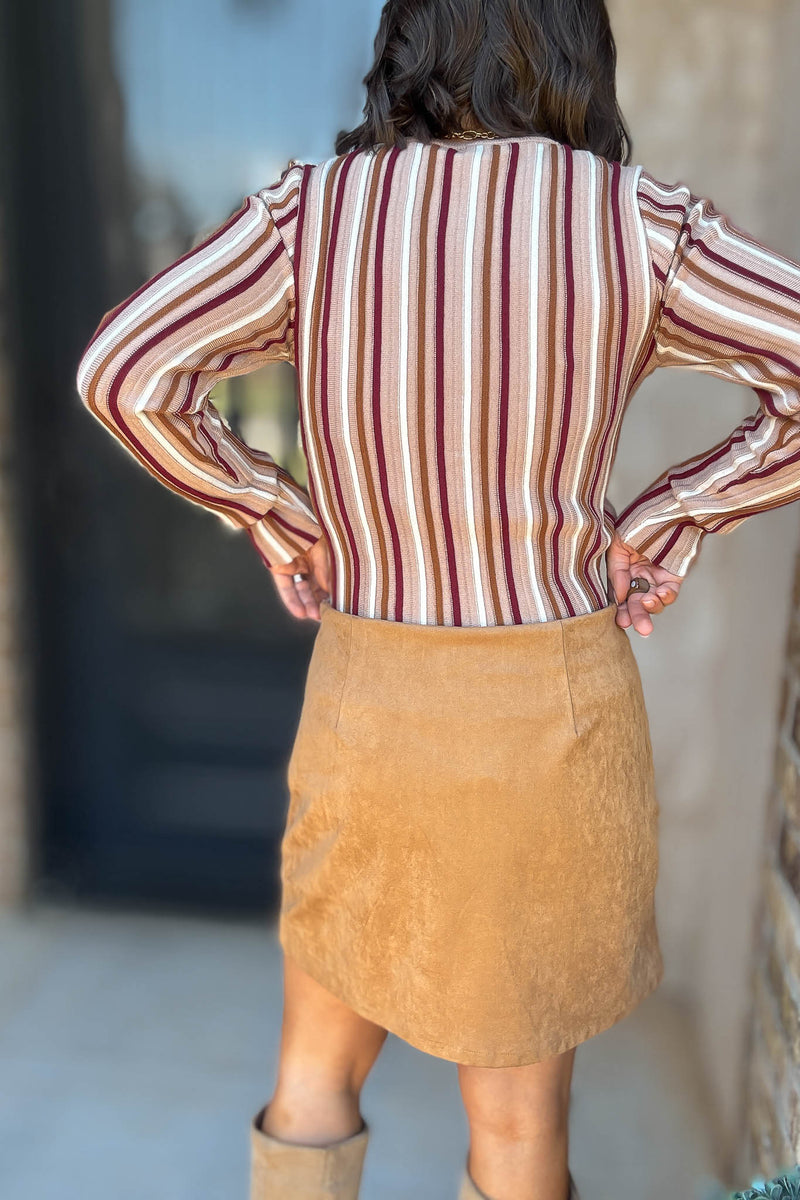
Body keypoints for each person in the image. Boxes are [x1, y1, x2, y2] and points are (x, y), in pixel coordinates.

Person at [74, 1, 800, 1198]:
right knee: (515, 1134)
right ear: (572, 49)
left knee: (312, 1075)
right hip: (547, 727)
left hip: (369, 706)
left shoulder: (313, 213)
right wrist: (674, 513)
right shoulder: (632, 222)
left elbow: (125, 373)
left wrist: (272, 508)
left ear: (410, 46)